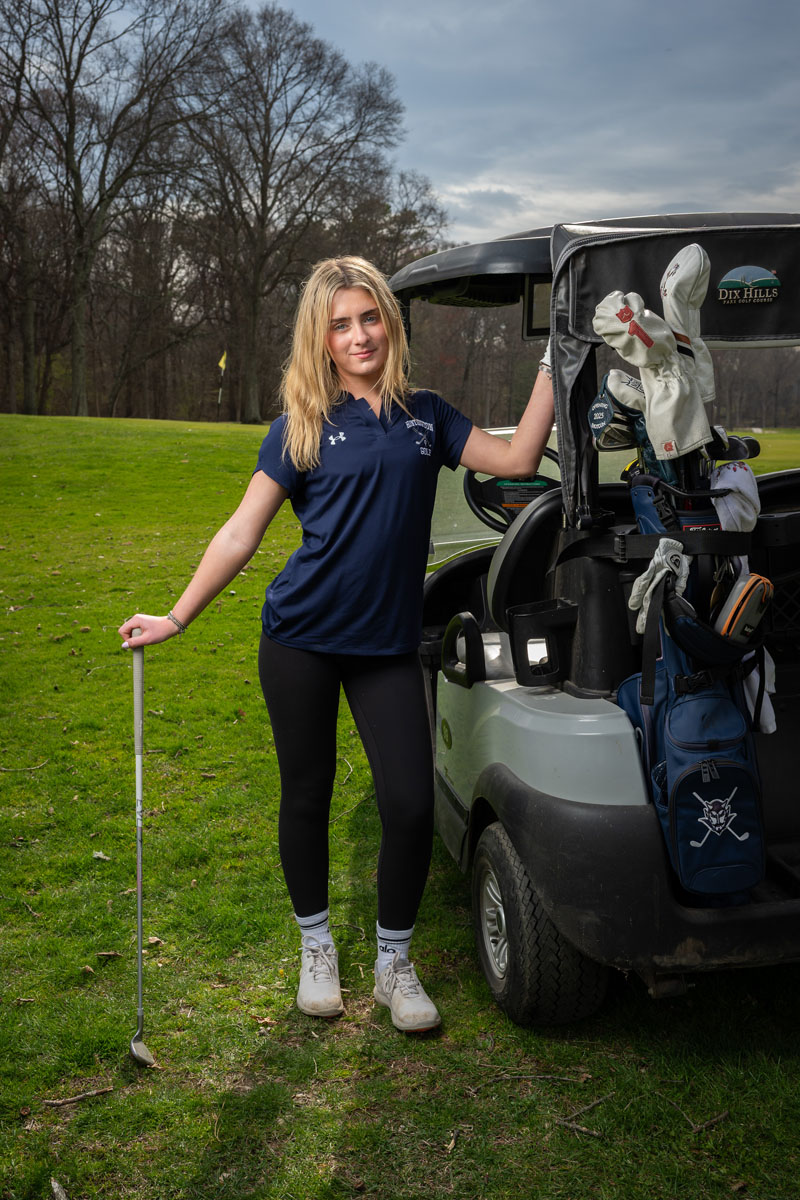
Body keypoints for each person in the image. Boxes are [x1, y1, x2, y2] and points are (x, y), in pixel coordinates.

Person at [119, 256, 554, 1034]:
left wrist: (557, 359)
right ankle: (316, 948)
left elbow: (519, 459)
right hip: (301, 641)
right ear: (320, 339)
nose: (359, 336)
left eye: (369, 318)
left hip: (385, 648)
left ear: (390, 322)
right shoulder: (302, 426)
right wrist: (177, 617)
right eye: (341, 324)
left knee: (410, 804)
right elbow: (241, 532)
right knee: (307, 795)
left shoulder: (428, 416)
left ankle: (393, 964)